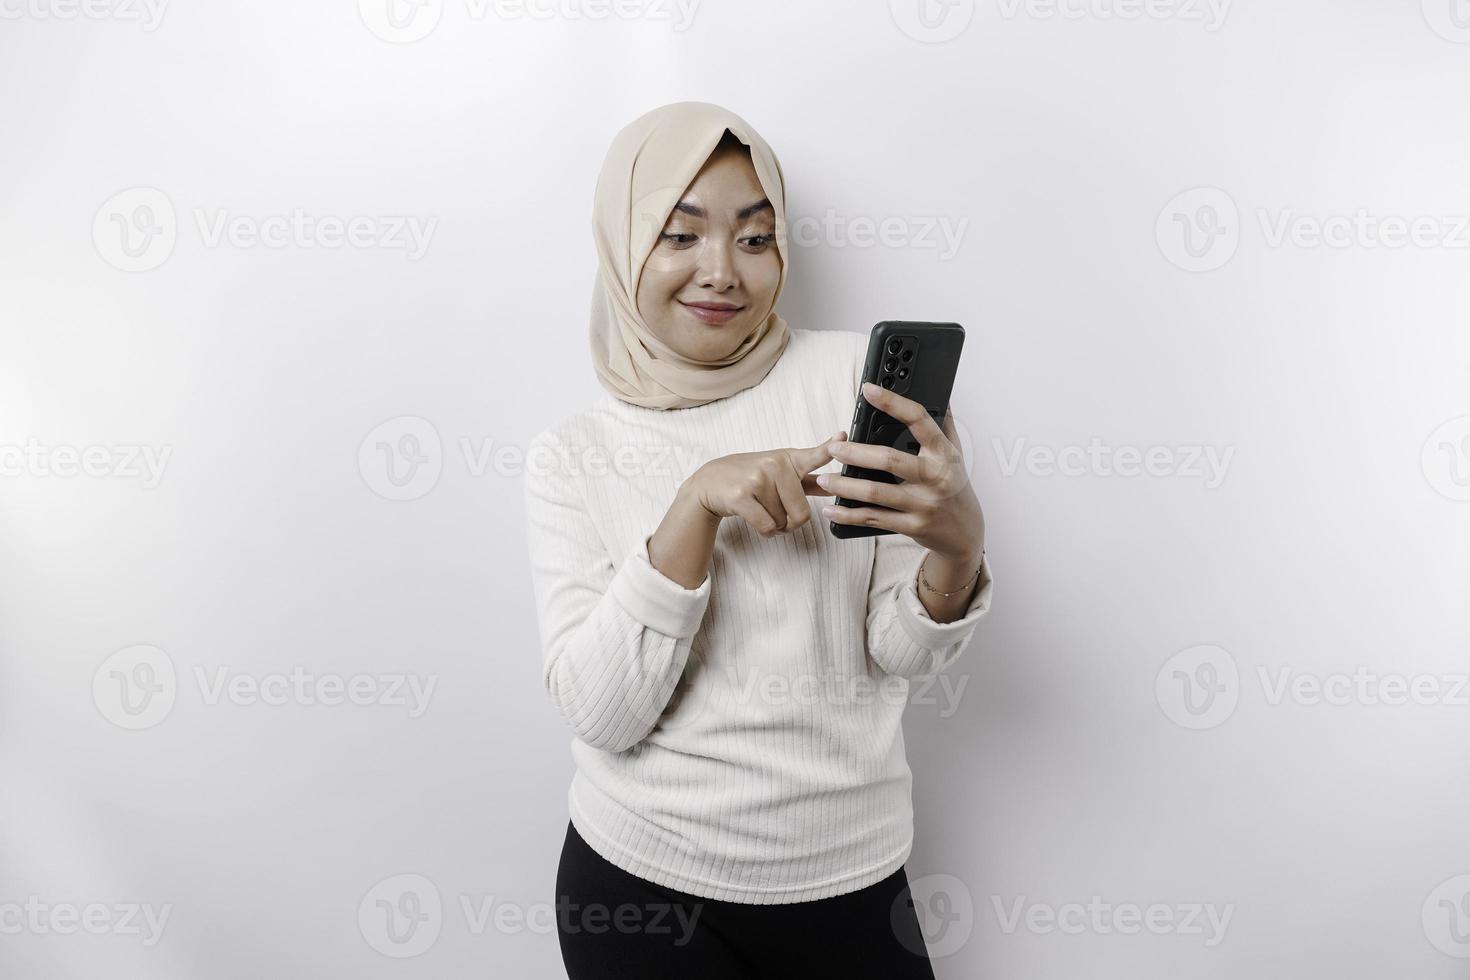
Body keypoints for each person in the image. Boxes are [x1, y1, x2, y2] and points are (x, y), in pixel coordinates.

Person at [523, 100, 994, 978]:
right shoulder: (570, 458)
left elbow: (898, 652)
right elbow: (602, 715)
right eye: (680, 234)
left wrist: (957, 554)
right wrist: (692, 511)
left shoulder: (856, 384)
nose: (722, 273)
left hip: (852, 878)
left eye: (753, 236)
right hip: (644, 891)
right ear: (624, 248)